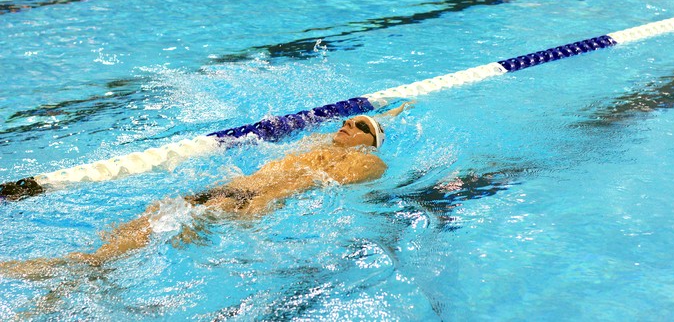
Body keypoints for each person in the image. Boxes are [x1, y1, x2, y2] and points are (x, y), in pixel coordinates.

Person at [0, 103, 410, 279]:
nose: (348, 125)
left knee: (157, 231)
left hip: (248, 201)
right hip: (229, 189)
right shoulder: (317, 145)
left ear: (368, 142)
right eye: (349, 120)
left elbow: (326, 182)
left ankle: (79, 268)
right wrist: (387, 113)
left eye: (360, 126)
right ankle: (86, 268)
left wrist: (266, 201)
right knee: (146, 221)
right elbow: (362, 130)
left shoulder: (367, 161)